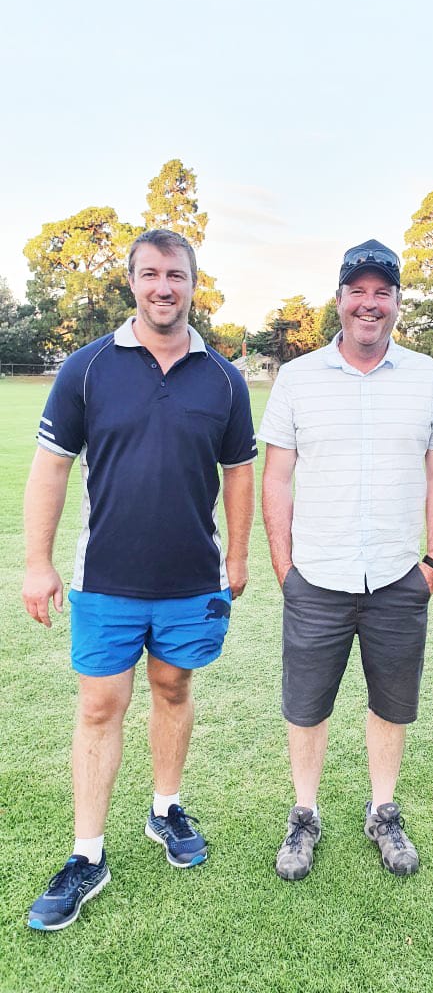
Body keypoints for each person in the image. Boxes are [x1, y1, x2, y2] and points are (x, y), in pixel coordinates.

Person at [23, 229, 256, 930]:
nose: (164, 287)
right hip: (107, 580)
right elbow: (52, 467)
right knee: (99, 705)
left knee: (173, 687)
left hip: (192, 579)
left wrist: (238, 558)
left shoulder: (223, 378)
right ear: (132, 282)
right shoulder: (87, 369)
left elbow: (239, 472)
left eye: (176, 275)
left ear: (193, 282)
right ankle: (87, 854)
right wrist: (37, 563)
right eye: (150, 273)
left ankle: (164, 810)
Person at [259, 239, 433, 880]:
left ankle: (383, 810)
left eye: (383, 292)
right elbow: (277, 477)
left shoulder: (428, 377)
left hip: (400, 573)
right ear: (340, 299)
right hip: (316, 574)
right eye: (358, 291)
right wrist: (284, 565)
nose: (369, 304)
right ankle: (304, 815)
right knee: (307, 705)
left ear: (397, 302)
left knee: (391, 703)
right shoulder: (298, 378)